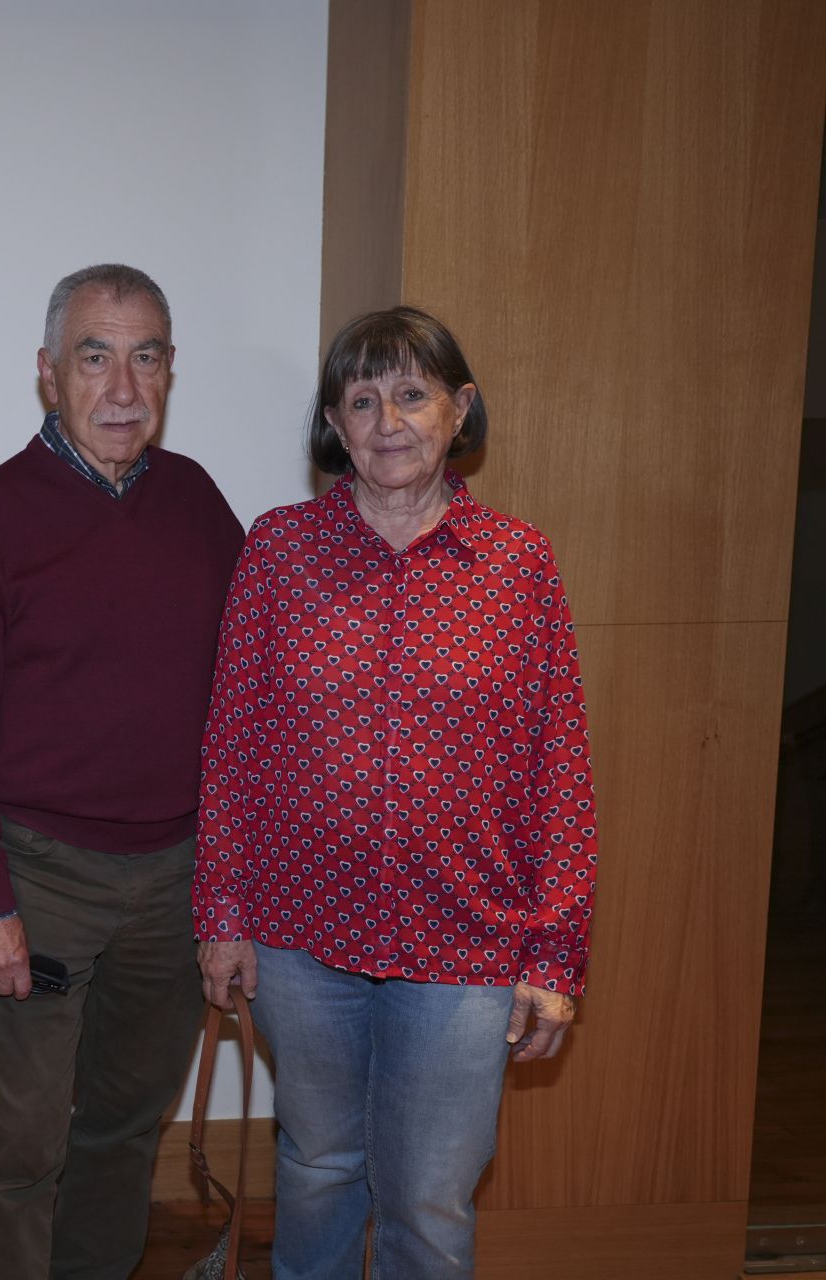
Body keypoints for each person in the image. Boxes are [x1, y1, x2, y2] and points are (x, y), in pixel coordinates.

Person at [195, 305, 598, 1280]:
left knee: (427, 1194)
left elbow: (561, 769)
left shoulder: (519, 564)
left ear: (459, 411)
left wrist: (556, 949)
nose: (387, 420)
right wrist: (222, 911)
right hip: (300, 933)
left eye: (412, 394)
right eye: (362, 399)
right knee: (320, 1166)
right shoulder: (278, 550)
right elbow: (232, 745)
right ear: (333, 421)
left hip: (465, 939)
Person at [0, 264, 243, 1279]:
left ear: (170, 370)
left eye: (146, 357)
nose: (122, 387)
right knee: (22, 1147)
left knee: (122, 1130)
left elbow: (246, 706)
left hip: (175, 879)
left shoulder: (197, 506)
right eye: (95, 356)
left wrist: (232, 887)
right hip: (39, 875)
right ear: (49, 373)